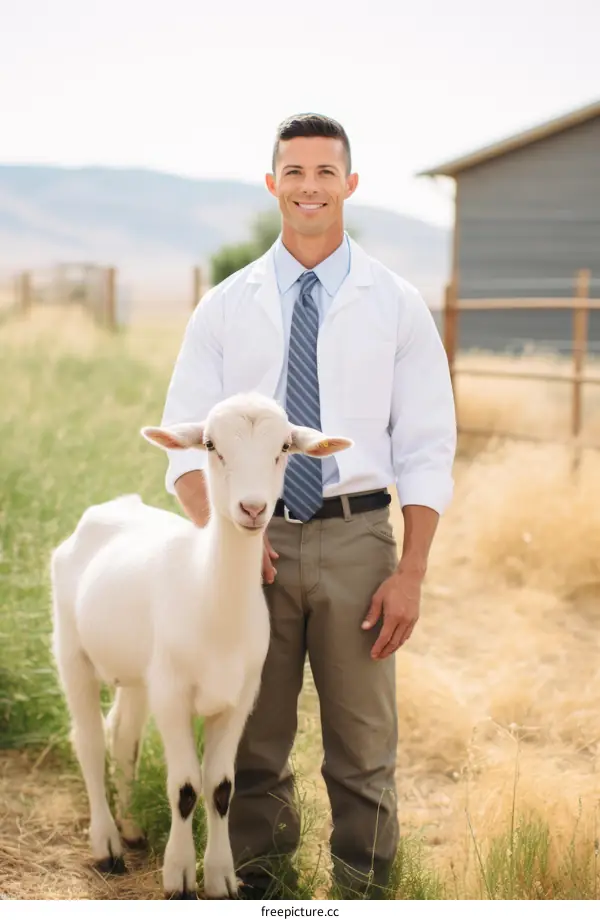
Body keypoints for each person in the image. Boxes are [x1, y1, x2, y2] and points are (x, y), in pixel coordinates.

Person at [159, 113, 457, 899]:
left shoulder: (395, 304)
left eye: (326, 172)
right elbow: (186, 448)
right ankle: (259, 887)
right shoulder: (226, 306)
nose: (310, 187)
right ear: (272, 184)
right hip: (251, 549)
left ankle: (364, 893)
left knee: (362, 746)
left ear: (350, 185)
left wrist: (412, 573)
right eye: (294, 172)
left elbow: (429, 448)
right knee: (254, 740)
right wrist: (221, 540)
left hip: (359, 542)